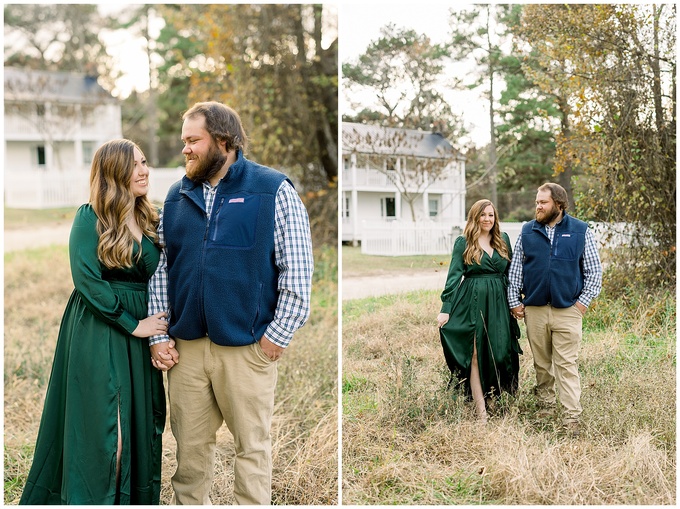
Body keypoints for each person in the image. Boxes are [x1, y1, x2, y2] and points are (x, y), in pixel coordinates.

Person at [147, 101, 314, 505]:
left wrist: (277, 336)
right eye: (184, 141)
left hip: (247, 350)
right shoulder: (176, 195)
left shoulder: (272, 189)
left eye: (193, 141)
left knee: (252, 451)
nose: (184, 149)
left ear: (223, 141)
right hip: (186, 351)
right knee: (189, 453)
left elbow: (298, 269)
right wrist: (159, 335)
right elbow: (162, 269)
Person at [20, 139, 174, 504]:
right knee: (108, 429)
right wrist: (133, 324)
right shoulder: (90, 217)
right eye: (135, 165)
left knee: (139, 422)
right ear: (114, 173)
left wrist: (159, 332)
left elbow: (165, 274)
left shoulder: (152, 216)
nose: (144, 170)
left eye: (145, 161)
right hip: (100, 329)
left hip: (142, 334)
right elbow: (86, 279)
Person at [507, 182, 602, 437]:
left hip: (567, 310)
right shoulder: (528, 231)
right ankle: (546, 409)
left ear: (558, 205)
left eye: (543, 202)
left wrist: (581, 305)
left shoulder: (581, 230)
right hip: (535, 310)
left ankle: (572, 418)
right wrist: (514, 301)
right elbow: (516, 269)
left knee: (566, 364)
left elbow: (594, 273)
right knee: (542, 364)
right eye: (537, 202)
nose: (537, 206)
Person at [437, 199, 521, 424]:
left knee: (498, 351)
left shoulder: (503, 240)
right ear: (475, 217)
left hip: (499, 302)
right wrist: (446, 309)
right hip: (472, 301)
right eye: (483, 215)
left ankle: (494, 399)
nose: (487, 219)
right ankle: (481, 410)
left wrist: (516, 301)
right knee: (474, 353)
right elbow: (454, 277)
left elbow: (512, 274)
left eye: (491, 215)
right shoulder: (463, 242)